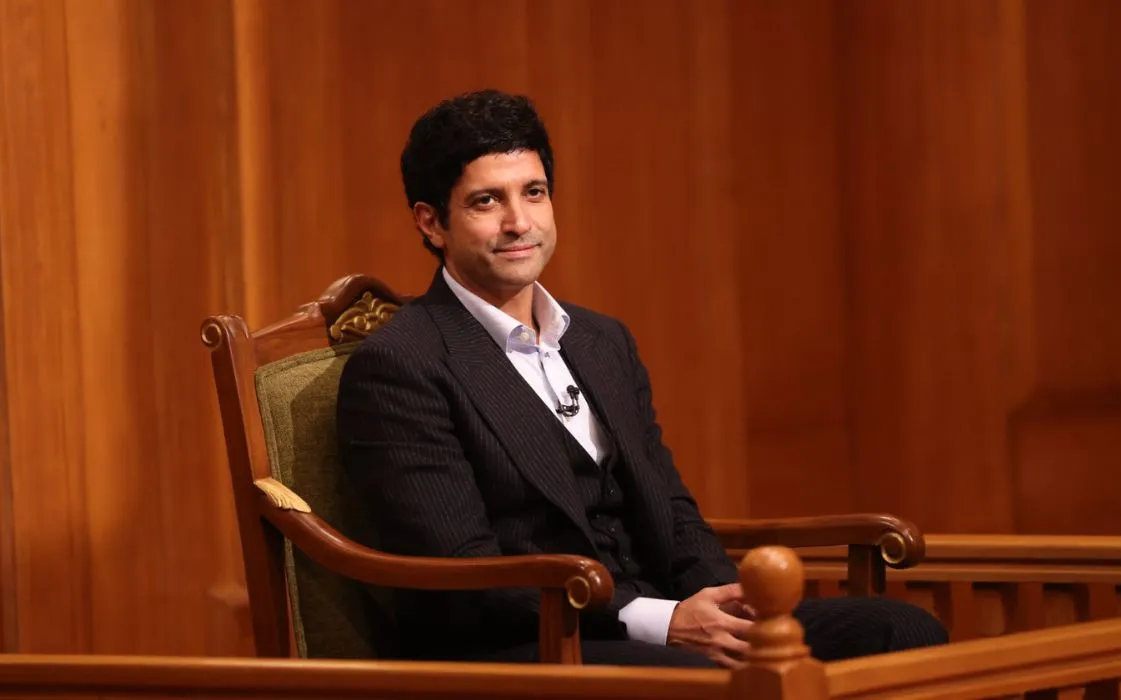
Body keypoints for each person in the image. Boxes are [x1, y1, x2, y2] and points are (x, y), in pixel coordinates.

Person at [336, 89, 947, 668]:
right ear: (431, 223)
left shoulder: (602, 341)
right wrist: (660, 620)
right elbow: (463, 574)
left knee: (901, 631)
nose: (520, 222)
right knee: (712, 687)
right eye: (487, 201)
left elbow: (670, 507)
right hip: (528, 644)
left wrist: (727, 604)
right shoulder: (402, 365)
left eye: (534, 192)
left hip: (658, 618)